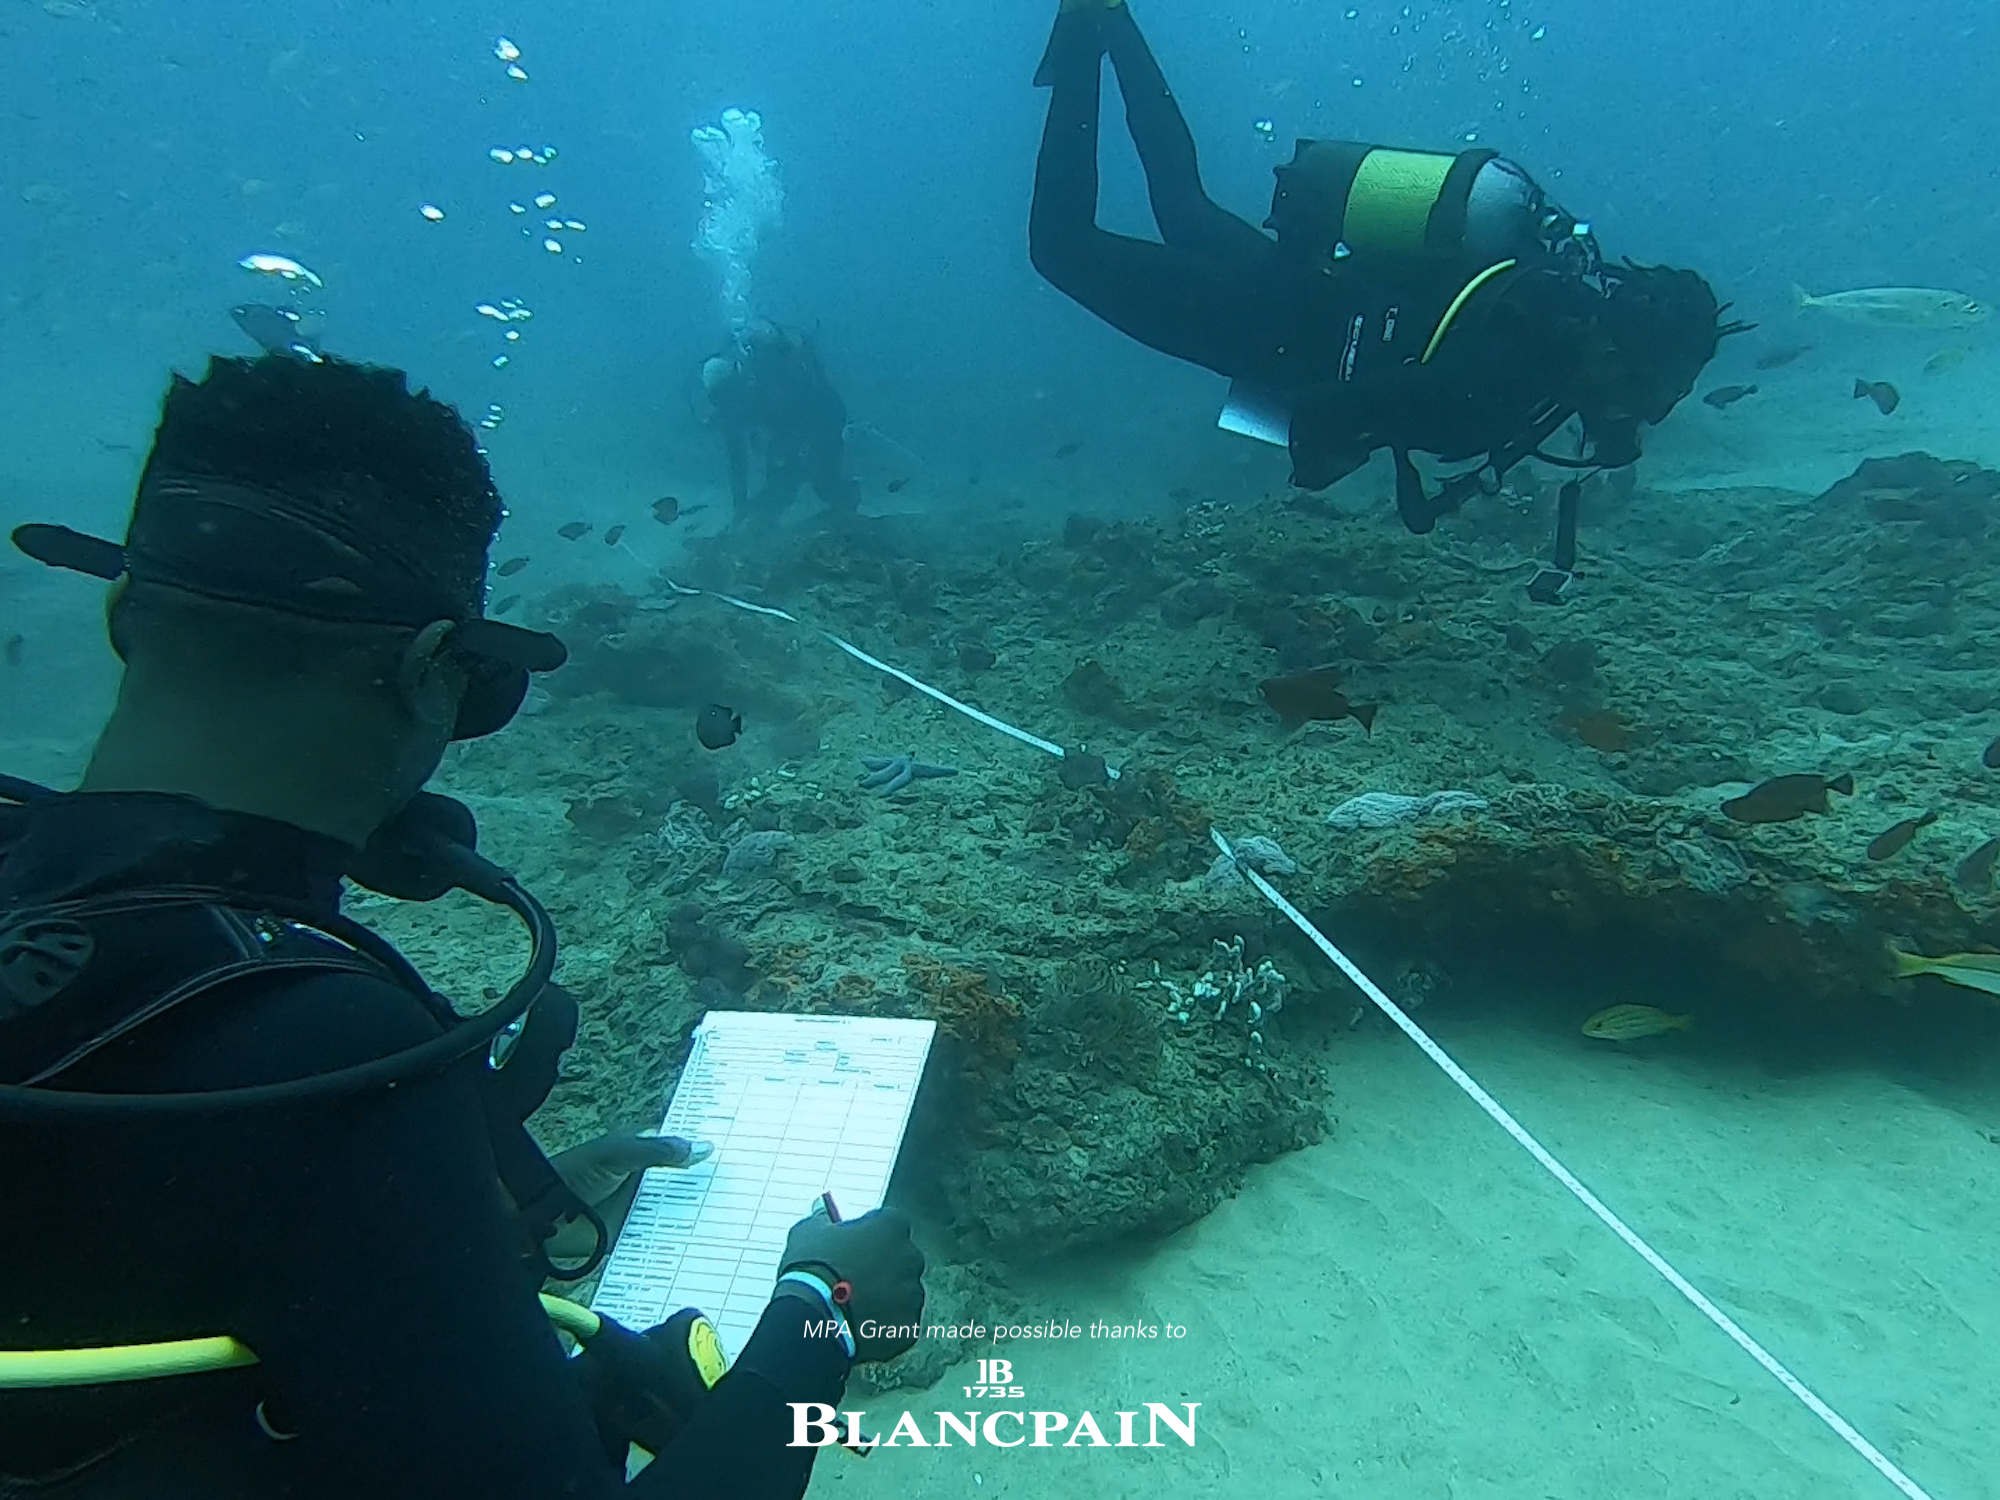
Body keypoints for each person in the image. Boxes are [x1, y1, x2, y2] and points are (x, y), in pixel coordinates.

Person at [0, 352, 925, 1497]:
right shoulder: (323, 1056)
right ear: (434, 669)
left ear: (122, 611)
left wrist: (458, 1233)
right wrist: (816, 1315)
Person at [1029, 0, 1747, 596]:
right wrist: (1322, 460)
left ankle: (1108, 17)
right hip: (1263, 327)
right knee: (1059, 248)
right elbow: (1324, 409)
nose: (1637, 413)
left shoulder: (1550, 304)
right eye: (1641, 391)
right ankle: (1088, 40)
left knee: (1183, 204)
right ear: (1617, 352)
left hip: (1306, 282)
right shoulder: (1509, 380)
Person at [696, 318, 862, 525]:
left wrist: (804, 452)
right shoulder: (732, 406)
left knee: (824, 483)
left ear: (738, 380)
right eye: (717, 399)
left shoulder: (771, 374)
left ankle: (849, 511)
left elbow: (818, 410)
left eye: (726, 396)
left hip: (821, 414)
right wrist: (739, 506)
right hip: (788, 426)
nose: (726, 406)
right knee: (777, 491)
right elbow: (736, 458)